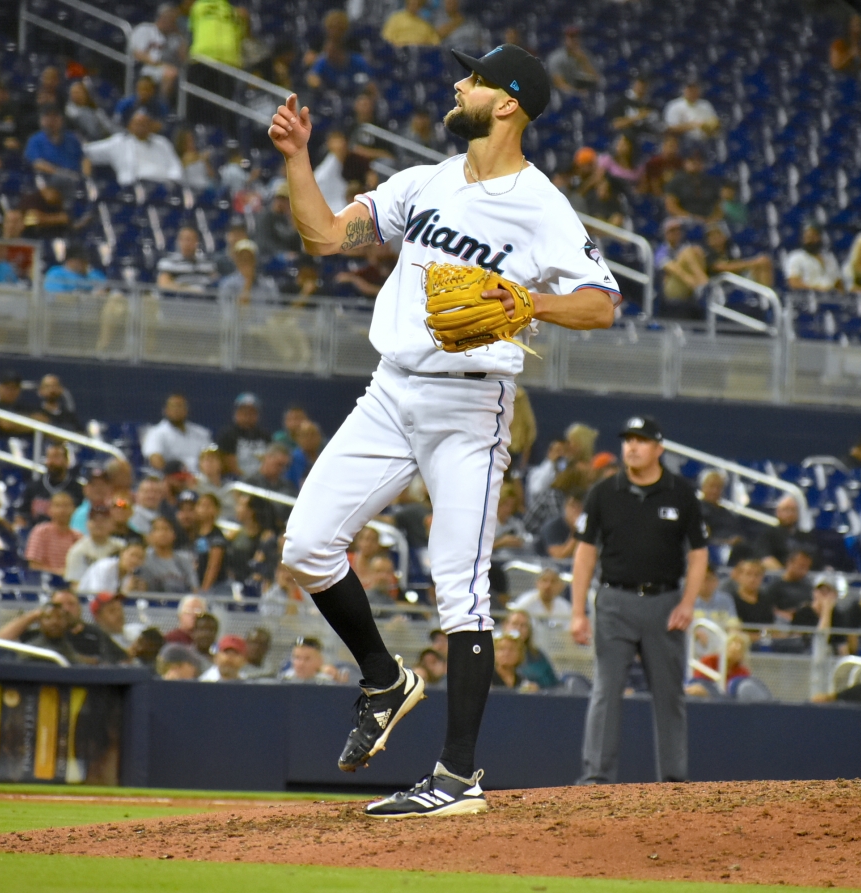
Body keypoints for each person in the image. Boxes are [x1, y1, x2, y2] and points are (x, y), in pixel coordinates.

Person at [270, 42, 618, 818]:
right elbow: (325, 236)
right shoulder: (422, 182)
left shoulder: (541, 204)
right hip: (389, 391)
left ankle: (458, 778)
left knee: (460, 590)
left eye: (476, 78)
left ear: (507, 103)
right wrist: (296, 159)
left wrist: (531, 302)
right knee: (305, 546)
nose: (458, 84)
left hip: (470, 406)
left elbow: (601, 303)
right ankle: (384, 680)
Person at [571, 416, 708, 785]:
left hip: (665, 604)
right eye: (628, 440)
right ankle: (596, 778)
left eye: (641, 440)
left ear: (659, 448)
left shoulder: (681, 493)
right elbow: (584, 553)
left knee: (669, 695)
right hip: (614, 600)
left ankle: (674, 780)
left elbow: (699, 553)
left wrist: (688, 603)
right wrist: (577, 611)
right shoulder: (603, 492)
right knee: (605, 690)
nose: (632, 446)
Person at [82, 109, 183, 186]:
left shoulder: (162, 142)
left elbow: (175, 166)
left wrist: (171, 182)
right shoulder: (119, 142)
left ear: (151, 126)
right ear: (130, 126)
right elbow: (87, 151)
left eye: (145, 124)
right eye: (138, 124)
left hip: (163, 186)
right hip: (134, 187)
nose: (142, 127)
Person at [129, 4, 187, 104]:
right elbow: (138, 54)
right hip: (145, 67)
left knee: (175, 73)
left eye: (173, 20)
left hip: (167, 69)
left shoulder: (175, 37)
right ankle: (161, 106)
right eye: (169, 19)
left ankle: (163, 105)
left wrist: (180, 35)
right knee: (170, 73)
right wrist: (159, 64)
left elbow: (185, 59)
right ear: (162, 17)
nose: (171, 22)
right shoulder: (145, 29)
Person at [142, 393, 212, 473]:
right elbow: (155, 461)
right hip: (172, 477)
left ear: (186, 410)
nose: (177, 410)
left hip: (201, 477)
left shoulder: (201, 433)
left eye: (180, 406)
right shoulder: (155, 433)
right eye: (173, 406)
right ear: (166, 410)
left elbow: (212, 457)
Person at [64, 504, 124, 587]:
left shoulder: (121, 547)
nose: (99, 524)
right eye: (94, 520)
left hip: (116, 592)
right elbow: (74, 583)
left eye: (103, 520)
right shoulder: (78, 550)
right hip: (88, 593)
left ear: (112, 524)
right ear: (87, 524)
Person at [24, 491, 82, 577]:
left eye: (66, 506)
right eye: (58, 506)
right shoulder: (40, 532)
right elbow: (34, 566)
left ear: (74, 510)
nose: (62, 510)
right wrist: (59, 573)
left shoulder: (78, 537)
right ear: (49, 510)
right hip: (45, 581)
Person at [137, 514, 198, 593]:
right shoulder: (143, 559)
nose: (162, 533)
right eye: (157, 529)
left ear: (174, 534)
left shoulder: (185, 559)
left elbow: (194, 588)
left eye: (166, 529)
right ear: (150, 536)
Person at [502, 609, 559, 688]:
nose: (518, 628)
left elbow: (554, 683)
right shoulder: (494, 654)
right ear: (505, 625)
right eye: (515, 624)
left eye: (523, 625)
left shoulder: (538, 655)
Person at [664, 147, 722, 222]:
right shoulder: (676, 181)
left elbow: (719, 206)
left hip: (707, 220)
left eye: (699, 160)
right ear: (685, 162)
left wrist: (711, 220)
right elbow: (670, 205)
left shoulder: (711, 182)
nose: (695, 163)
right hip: (682, 219)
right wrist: (690, 217)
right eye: (691, 160)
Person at [785, 224, 842, 292]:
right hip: (809, 295)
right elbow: (794, 283)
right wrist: (817, 289)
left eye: (814, 236)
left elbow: (838, 283)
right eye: (808, 237)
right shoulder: (796, 257)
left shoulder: (829, 258)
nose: (810, 240)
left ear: (820, 238)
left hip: (831, 295)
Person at [76, 540, 147, 594]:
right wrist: (125, 591)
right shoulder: (104, 567)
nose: (134, 560)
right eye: (132, 555)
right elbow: (98, 595)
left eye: (140, 558)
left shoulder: (133, 576)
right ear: (122, 553)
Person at [545, 25, 599, 95]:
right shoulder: (555, 57)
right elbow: (558, 83)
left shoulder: (585, 55)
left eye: (576, 37)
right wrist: (577, 93)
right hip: (559, 95)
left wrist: (584, 62)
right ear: (564, 39)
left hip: (582, 95)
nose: (574, 40)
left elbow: (596, 80)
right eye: (571, 37)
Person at [763, 548, 814, 620]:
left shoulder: (809, 587)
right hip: (782, 622)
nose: (804, 570)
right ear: (789, 563)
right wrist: (783, 614)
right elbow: (767, 608)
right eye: (801, 566)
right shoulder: (774, 586)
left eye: (807, 567)